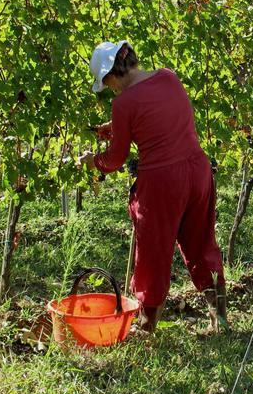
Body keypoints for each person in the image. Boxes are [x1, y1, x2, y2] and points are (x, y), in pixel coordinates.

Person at [79, 41, 227, 333]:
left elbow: (115, 159)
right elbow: (158, 114)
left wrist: (91, 161)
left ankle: (147, 327)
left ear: (112, 74)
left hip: (162, 182)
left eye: (107, 84)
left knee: (153, 253)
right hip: (198, 171)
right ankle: (219, 317)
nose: (109, 89)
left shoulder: (123, 103)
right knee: (201, 242)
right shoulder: (168, 77)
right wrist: (118, 125)